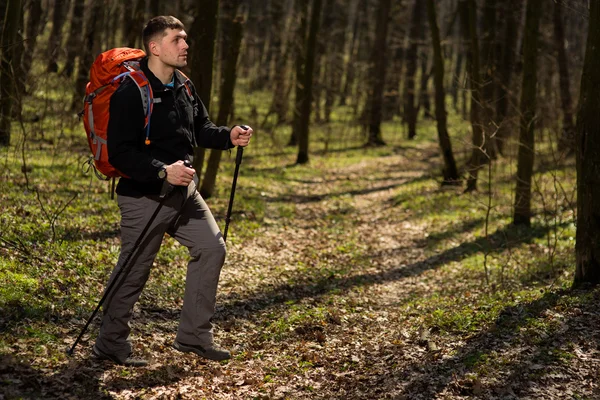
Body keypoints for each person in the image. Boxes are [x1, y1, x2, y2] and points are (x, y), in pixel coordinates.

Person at [92, 15, 253, 366]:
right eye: (177, 39)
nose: (185, 45)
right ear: (155, 46)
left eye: (186, 39)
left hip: (184, 193)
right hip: (143, 196)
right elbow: (121, 153)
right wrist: (164, 170)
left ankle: (194, 337)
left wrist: (228, 135)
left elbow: (202, 128)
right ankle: (110, 343)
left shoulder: (184, 85)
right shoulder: (130, 91)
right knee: (134, 272)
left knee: (212, 248)